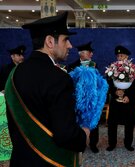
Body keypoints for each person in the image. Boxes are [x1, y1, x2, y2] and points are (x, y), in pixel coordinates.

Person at [4, 12, 90, 166]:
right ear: (50, 41)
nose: (70, 45)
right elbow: (66, 135)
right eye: (66, 40)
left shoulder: (15, 73)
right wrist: (84, 135)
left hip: (20, 160)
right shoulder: (59, 78)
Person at [67, 41, 99, 153]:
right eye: (87, 52)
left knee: (93, 122)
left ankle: (93, 143)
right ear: (80, 54)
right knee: (78, 122)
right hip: (78, 100)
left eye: (89, 53)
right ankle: (79, 143)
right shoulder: (72, 66)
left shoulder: (95, 66)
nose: (90, 55)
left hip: (92, 100)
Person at [106, 45, 135, 152]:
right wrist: (115, 92)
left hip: (128, 101)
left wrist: (128, 96)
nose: (120, 57)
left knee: (129, 124)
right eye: (118, 55)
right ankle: (112, 144)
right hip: (115, 100)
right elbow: (109, 84)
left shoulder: (133, 68)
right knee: (112, 124)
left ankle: (128, 143)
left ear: (127, 56)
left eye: (122, 55)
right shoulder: (111, 67)